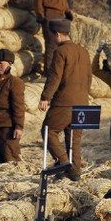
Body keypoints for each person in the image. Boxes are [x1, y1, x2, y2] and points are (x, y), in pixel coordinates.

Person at [38, 19, 91, 181]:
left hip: (65, 102)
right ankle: (74, 173)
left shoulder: (60, 52)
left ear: (58, 34)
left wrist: (45, 97)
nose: (53, 39)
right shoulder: (84, 51)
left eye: (53, 36)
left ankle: (63, 162)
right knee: (74, 139)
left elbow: (54, 77)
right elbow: (89, 78)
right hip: (83, 102)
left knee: (48, 131)